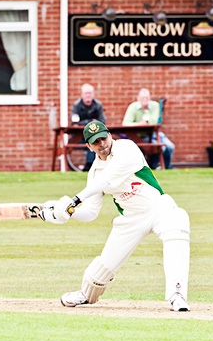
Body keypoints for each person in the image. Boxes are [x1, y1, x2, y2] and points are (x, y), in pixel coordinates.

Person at [39, 121, 191, 312]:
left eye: (104, 137)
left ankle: (176, 295)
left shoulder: (126, 148)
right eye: (95, 142)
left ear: (110, 135)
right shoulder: (94, 172)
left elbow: (106, 180)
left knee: (178, 224)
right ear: (89, 146)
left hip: (158, 208)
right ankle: (86, 295)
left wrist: (74, 200)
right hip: (130, 220)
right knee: (101, 270)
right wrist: (68, 211)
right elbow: (91, 213)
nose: (102, 143)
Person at [122, 88, 174, 169]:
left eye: (147, 98)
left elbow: (155, 121)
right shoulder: (133, 107)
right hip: (140, 136)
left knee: (170, 146)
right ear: (138, 98)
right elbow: (125, 123)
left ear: (150, 98)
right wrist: (139, 124)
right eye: (143, 98)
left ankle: (167, 167)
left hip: (154, 133)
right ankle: (154, 166)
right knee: (158, 147)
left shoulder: (154, 106)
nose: (145, 100)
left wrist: (146, 112)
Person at [70, 83, 107, 171]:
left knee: (95, 140)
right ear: (82, 95)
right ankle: (89, 164)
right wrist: (91, 121)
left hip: (95, 134)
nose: (88, 95)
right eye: (86, 93)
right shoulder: (77, 105)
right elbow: (74, 122)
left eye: (90, 93)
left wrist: (84, 123)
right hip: (80, 135)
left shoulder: (98, 105)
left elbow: (102, 120)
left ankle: (89, 165)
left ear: (93, 94)